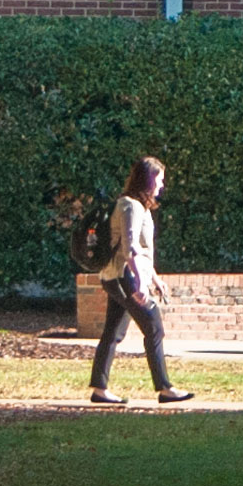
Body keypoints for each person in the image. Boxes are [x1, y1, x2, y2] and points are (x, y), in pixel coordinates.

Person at [90, 156, 194, 404]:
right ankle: (165, 388)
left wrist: (155, 279)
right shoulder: (130, 207)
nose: (162, 185)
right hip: (124, 276)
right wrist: (139, 284)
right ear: (147, 180)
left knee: (113, 332)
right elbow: (130, 248)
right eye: (159, 179)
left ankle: (99, 389)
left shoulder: (139, 207)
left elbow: (143, 251)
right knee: (154, 327)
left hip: (120, 276)